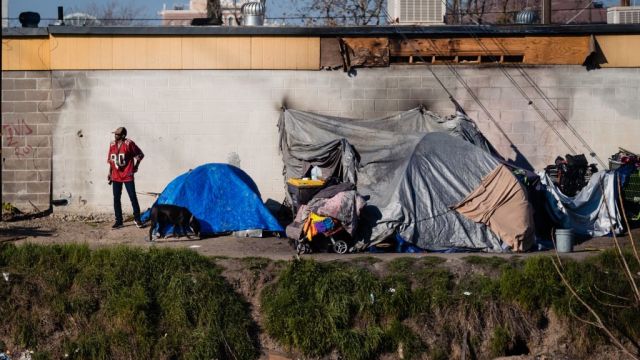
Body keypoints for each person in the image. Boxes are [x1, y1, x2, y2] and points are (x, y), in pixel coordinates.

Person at [107, 127, 144, 229]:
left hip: (127, 174)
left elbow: (140, 155)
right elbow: (111, 160)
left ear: (123, 135)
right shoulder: (112, 144)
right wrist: (110, 173)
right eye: (115, 134)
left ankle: (137, 219)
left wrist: (136, 166)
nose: (115, 136)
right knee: (116, 198)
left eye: (117, 134)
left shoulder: (129, 143)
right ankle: (119, 221)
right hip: (116, 175)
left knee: (132, 197)